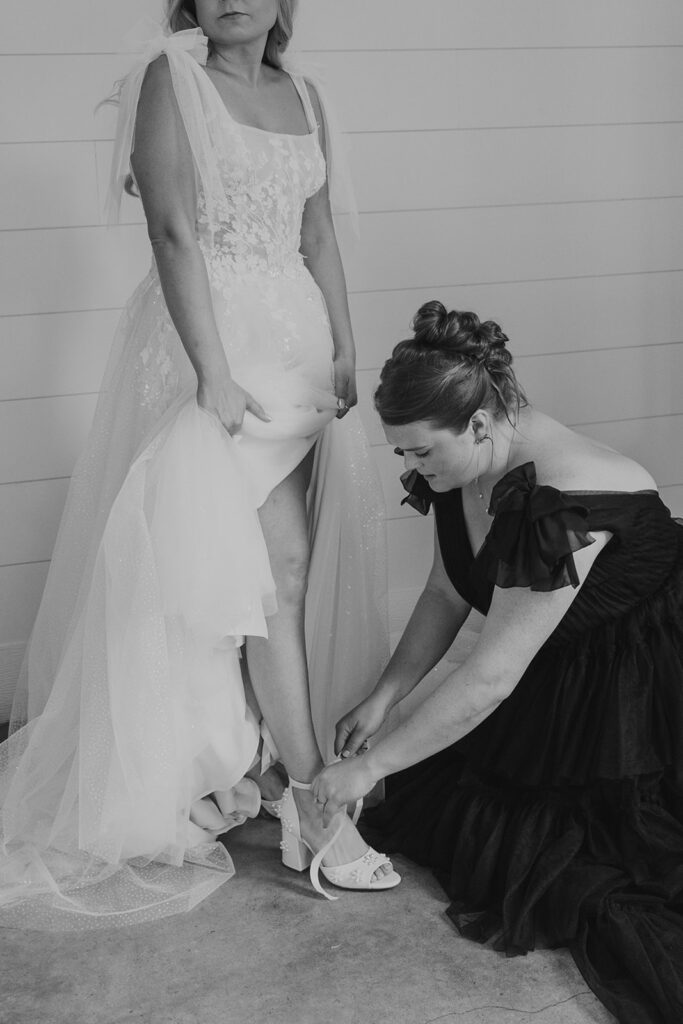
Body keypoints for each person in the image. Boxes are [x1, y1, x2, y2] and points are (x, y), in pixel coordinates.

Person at [0, 0, 398, 930]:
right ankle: (307, 802)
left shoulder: (305, 92)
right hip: (213, 351)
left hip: (295, 351)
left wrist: (346, 348)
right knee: (267, 581)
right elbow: (172, 231)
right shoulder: (170, 80)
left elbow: (319, 233)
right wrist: (211, 373)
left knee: (274, 579)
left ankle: (253, 773)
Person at [312, 300, 683, 1023]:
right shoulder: (465, 465)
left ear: (478, 425)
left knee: (590, 856)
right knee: (458, 801)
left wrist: (372, 763)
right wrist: (384, 697)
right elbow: (448, 589)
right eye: (400, 453)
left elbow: (489, 676)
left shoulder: (556, 497)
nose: (410, 467)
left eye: (418, 451)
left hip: (643, 669)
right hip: (563, 656)